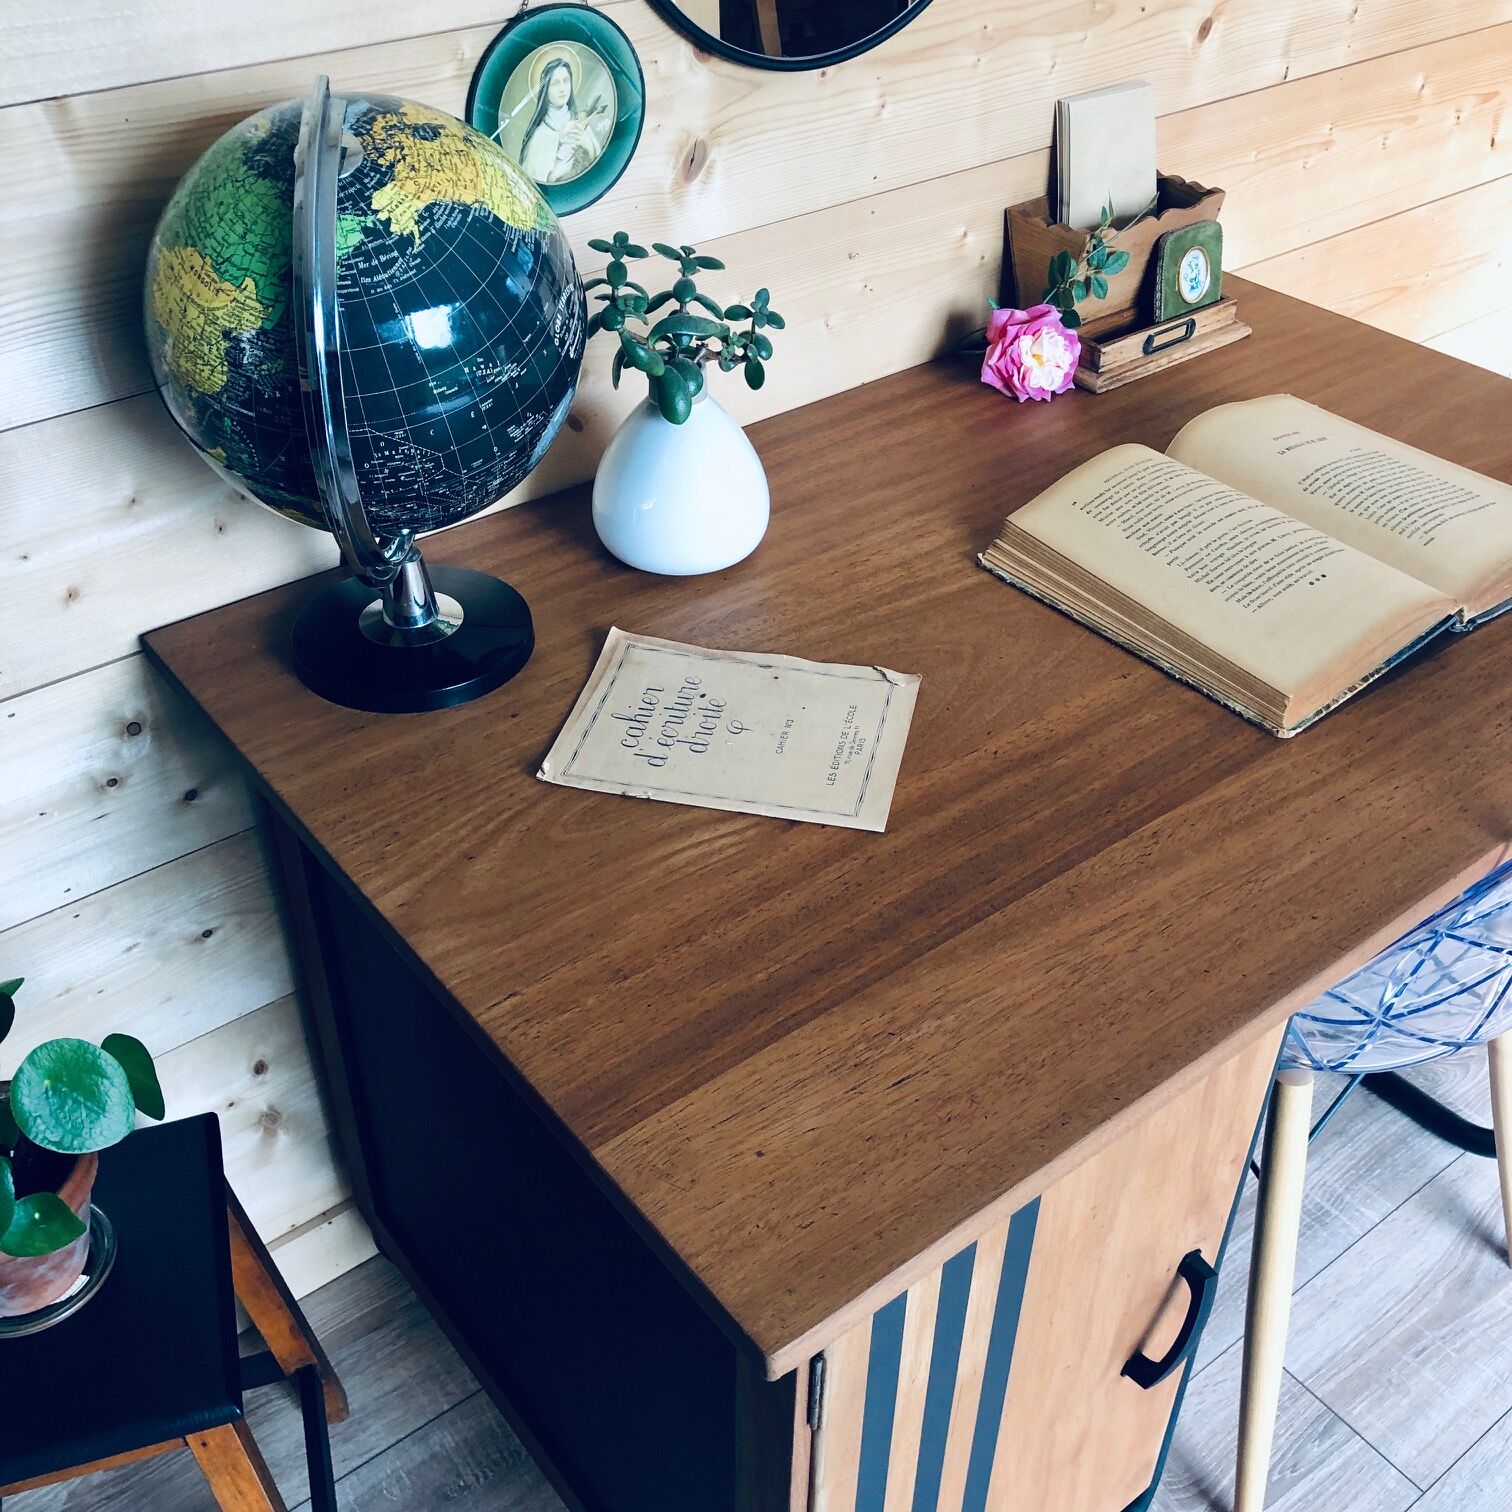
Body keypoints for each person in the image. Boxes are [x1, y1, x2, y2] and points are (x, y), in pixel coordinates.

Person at [518, 55, 608, 185]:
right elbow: (531, 188)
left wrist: (589, 147)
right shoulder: (538, 137)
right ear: (546, 90)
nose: (562, 88)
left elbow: (600, 174)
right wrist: (553, 176)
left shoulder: (581, 125)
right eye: (555, 83)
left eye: (566, 81)